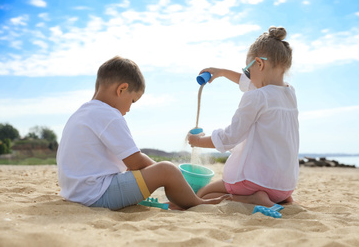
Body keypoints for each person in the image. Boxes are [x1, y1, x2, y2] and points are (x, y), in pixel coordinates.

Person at [57, 56, 229, 211]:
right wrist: (171, 176)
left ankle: (182, 199)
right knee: (167, 170)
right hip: (96, 195)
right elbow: (135, 162)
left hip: (75, 193)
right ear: (122, 89)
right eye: (132, 101)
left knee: (150, 166)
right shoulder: (110, 115)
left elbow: (129, 161)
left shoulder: (82, 113)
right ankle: (197, 203)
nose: (129, 109)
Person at [188, 26, 299, 207]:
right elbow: (255, 85)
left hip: (254, 181)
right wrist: (222, 72)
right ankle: (280, 199)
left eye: (247, 71)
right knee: (268, 187)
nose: (247, 77)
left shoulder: (256, 96)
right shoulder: (289, 94)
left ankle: (254, 198)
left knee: (204, 193)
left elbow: (230, 137)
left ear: (260, 64)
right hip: (284, 187)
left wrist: (198, 141)